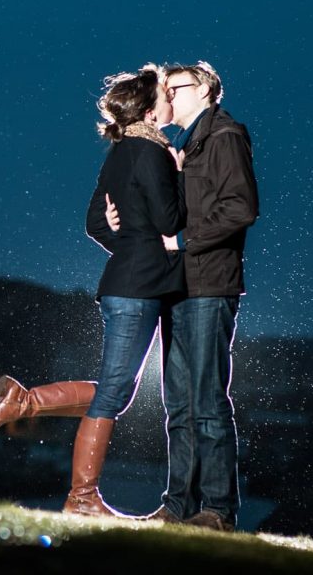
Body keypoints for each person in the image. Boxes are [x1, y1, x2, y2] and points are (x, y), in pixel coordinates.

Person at [0, 64, 185, 517]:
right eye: (166, 94)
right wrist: (179, 174)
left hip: (123, 282)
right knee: (113, 394)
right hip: (139, 286)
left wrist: (126, 241)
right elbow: (171, 221)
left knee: (118, 393)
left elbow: (94, 223)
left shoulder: (118, 153)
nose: (172, 100)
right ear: (151, 111)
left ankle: (22, 402)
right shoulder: (153, 155)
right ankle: (81, 497)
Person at [107, 61, 258, 531]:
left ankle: (216, 510)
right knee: (179, 404)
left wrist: (185, 240)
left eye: (176, 87)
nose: (167, 96)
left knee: (208, 400)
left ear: (207, 90)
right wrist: (120, 226)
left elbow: (242, 207)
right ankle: (178, 506)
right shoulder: (181, 146)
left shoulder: (224, 136)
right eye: (165, 89)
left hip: (209, 284)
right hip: (177, 285)